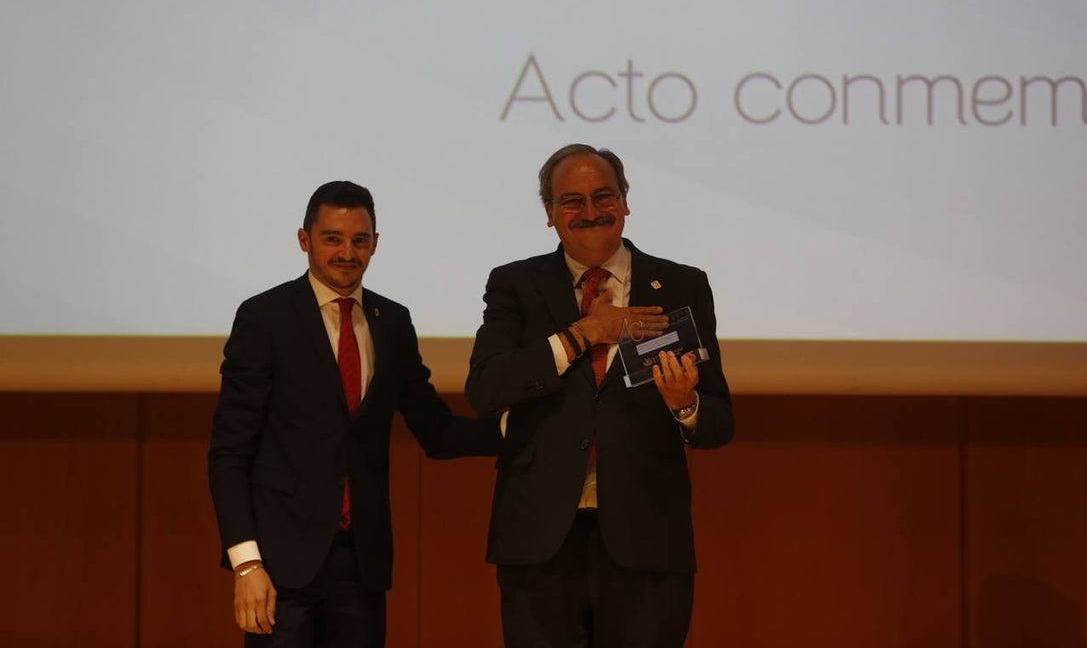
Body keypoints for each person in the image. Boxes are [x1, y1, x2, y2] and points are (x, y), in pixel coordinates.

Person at [208, 180, 502, 647]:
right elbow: (228, 453)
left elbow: (437, 431)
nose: (347, 252)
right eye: (332, 239)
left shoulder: (393, 321)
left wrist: (515, 428)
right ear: (304, 240)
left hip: (361, 565)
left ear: (375, 244)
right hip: (278, 568)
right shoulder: (264, 318)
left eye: (359, 240)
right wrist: (247, 564)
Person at [465, 144, 735, 648]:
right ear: (549, 214)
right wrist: (583, 333)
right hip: (540, 542)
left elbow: (719, 420)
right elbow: (485, 388)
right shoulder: (515, 285)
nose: (591, 212)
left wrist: (684, 404)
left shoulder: (681, 284)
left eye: (603, 196)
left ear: (626, 201)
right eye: (571, 201)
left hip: (648, 543)